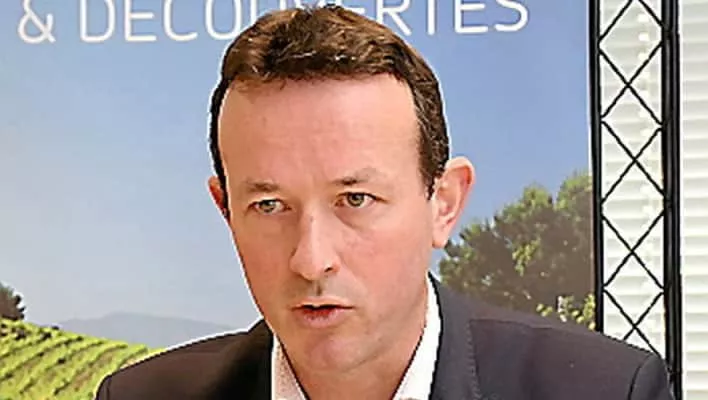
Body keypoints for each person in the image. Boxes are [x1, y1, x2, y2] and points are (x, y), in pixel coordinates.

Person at [94, 5, 673, 400]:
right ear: (225, 209)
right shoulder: (141, 397)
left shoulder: (604, 390)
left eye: (355, 199)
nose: (311, 259)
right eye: (269, 206)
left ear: (444, 203)